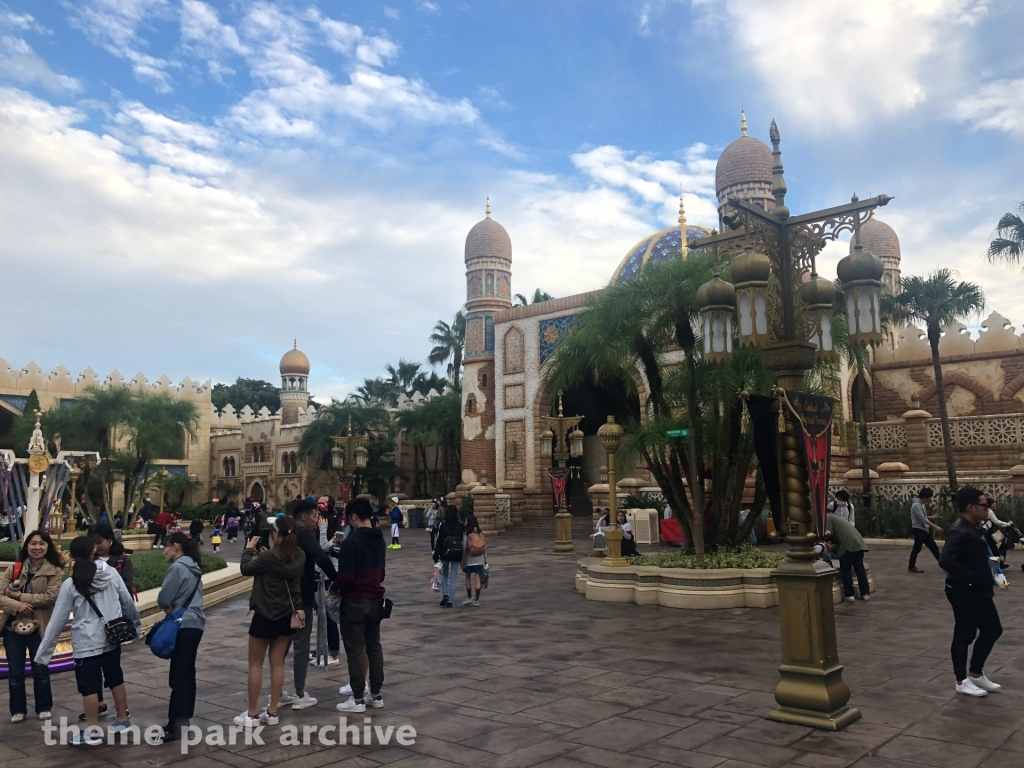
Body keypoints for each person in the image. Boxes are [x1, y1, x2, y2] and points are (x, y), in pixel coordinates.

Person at [36, 536, 141, 743]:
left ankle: (93, 731)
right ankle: (123, 720)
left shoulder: (71, 584)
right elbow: (127, 602)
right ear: (94, 551)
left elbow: (57, 620)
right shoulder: (111, 573)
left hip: (86, 643)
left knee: (89, 687)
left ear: (72, 555)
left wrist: (43, 653)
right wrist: (135, 627)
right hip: (112, 639)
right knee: (115, 679)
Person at [237, 516, 305, 726]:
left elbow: (246, 568)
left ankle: (251, 714)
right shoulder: (300, 555)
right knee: (277, 662)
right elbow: (279, 565)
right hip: (287, 615)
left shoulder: (270, 557)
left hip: (265, 614)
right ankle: (273, 712)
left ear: (276, 534)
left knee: (255, 664)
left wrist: (249, 550)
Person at [939, 487, 1006, 697]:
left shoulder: (974, 527)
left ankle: (976, 673)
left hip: (979, 590)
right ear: (971, 507)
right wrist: (971, 576)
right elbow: (946, 560)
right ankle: (961, 680)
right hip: (964, 591)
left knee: (993, 629)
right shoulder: (960, 531)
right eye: (984, 505)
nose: (988, 508)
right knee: (965, 634)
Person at [0, 530, 62, 723]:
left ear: (47, 547)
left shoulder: (54, 571)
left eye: (41, 543)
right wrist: (17, 606)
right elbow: (0, 595)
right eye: (33, 543)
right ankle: (17, 710)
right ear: (27, 546)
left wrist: (20, 596)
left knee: (40, 671)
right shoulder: (15, 569)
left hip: (39, 627)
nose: (37, 547)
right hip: (12, 629)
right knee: (15, 673)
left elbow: (50, 598)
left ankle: (44, 707)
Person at [281, 499, 338, 710]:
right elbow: (321, 558)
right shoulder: (303, 534)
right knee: (301, 645)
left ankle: (278, 692)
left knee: (281, 646)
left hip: (282, 596)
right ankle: (299, 693)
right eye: (314, 516)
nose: (317, 520)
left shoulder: (284, 531)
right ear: (303, 517)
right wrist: (337, 580)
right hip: (300, 598)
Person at [331, 497, 386, 713]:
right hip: (375, 599)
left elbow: (345, 576)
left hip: (355, 601)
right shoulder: (380, 540)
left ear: (354, 517)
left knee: (354, 649)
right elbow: (382, 573)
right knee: (374, 646)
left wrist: (333, 589)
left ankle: (357, 698)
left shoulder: (351, 543)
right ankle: (376, 694)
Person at [158, 532, 206, 742]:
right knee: (187, 673)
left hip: (182, 623)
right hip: (195, 623)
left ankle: (176, 725)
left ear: (175, 546)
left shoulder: (177, 567)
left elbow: (164, 598)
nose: (164, 551)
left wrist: (168, 605)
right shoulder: (193, 566)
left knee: (178, 676)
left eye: (166, 546)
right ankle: (183, 719)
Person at [824, 512, 870, 602]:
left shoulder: (829, 518)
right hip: (858, 545)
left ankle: (849, 594)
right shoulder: (838, 519)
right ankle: (865, 593)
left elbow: (828, 535)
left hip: (847, 547)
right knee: (860, 569)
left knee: (846, 570)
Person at [433, 505, 464, 608]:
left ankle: (445, 594)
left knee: (444, 574)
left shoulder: (442, 525)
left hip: (445, 552)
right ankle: (450, 601)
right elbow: (462, 540)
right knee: (453, 576)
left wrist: (436, 554)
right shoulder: (460, 525)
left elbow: (439, 540)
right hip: (457, 553)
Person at [909, 487, 943, 573]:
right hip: (919, 530)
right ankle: (911, 566)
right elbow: (923, 519)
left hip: (923, 529)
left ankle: (943, 564)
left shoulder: (921, 504)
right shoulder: (916, 505)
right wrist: (936, 527)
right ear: (925, 497)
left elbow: (922, 516)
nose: (930, 499)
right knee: (918, 548)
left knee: (933, 547)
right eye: (929, 497)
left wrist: (932, 517)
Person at [461, 514, 486, 606]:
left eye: (466, 521)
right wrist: (485, 559)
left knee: (467, 577)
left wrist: (462, 559)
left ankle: (469, 597)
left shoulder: (466, 532)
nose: (465, 522)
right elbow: (484, 546)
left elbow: (464, 546)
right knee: (477, 578)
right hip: (479, 558)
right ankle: (477, 600)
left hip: (469, 558)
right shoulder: (480, 532)